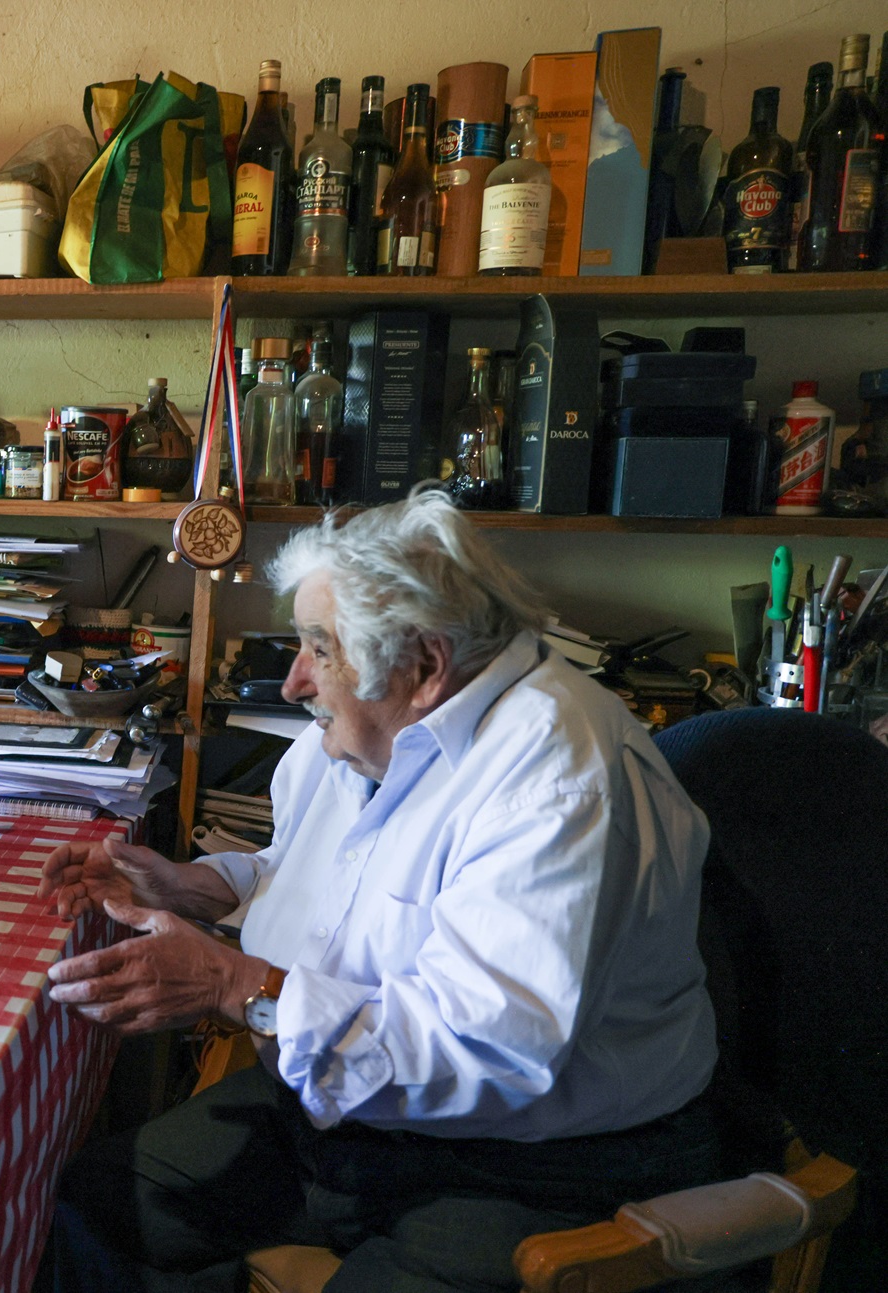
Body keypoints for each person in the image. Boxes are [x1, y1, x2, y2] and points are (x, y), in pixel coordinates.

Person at [36, 489, 720, 1292]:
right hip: (349, 1112)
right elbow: (310, 874)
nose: (293, 682)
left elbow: (488, 1051)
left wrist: (235, 985)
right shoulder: (365, 735)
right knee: (91, 1204)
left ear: (424, 666)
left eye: (319, 651)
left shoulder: (557, 777)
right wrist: (202, 886)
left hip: (535, 1164)